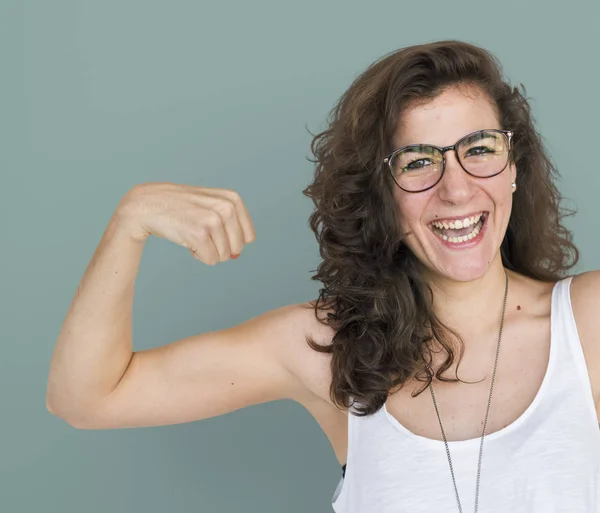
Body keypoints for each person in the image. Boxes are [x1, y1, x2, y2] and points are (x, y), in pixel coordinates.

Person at [45, 40, 600, 512]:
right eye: (417, 161)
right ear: (379, 195)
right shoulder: (327, 350)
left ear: (514, 169)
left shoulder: (589, 322)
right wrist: (130, 220)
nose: (455, 189)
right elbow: (88, 397)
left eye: (479, 149)